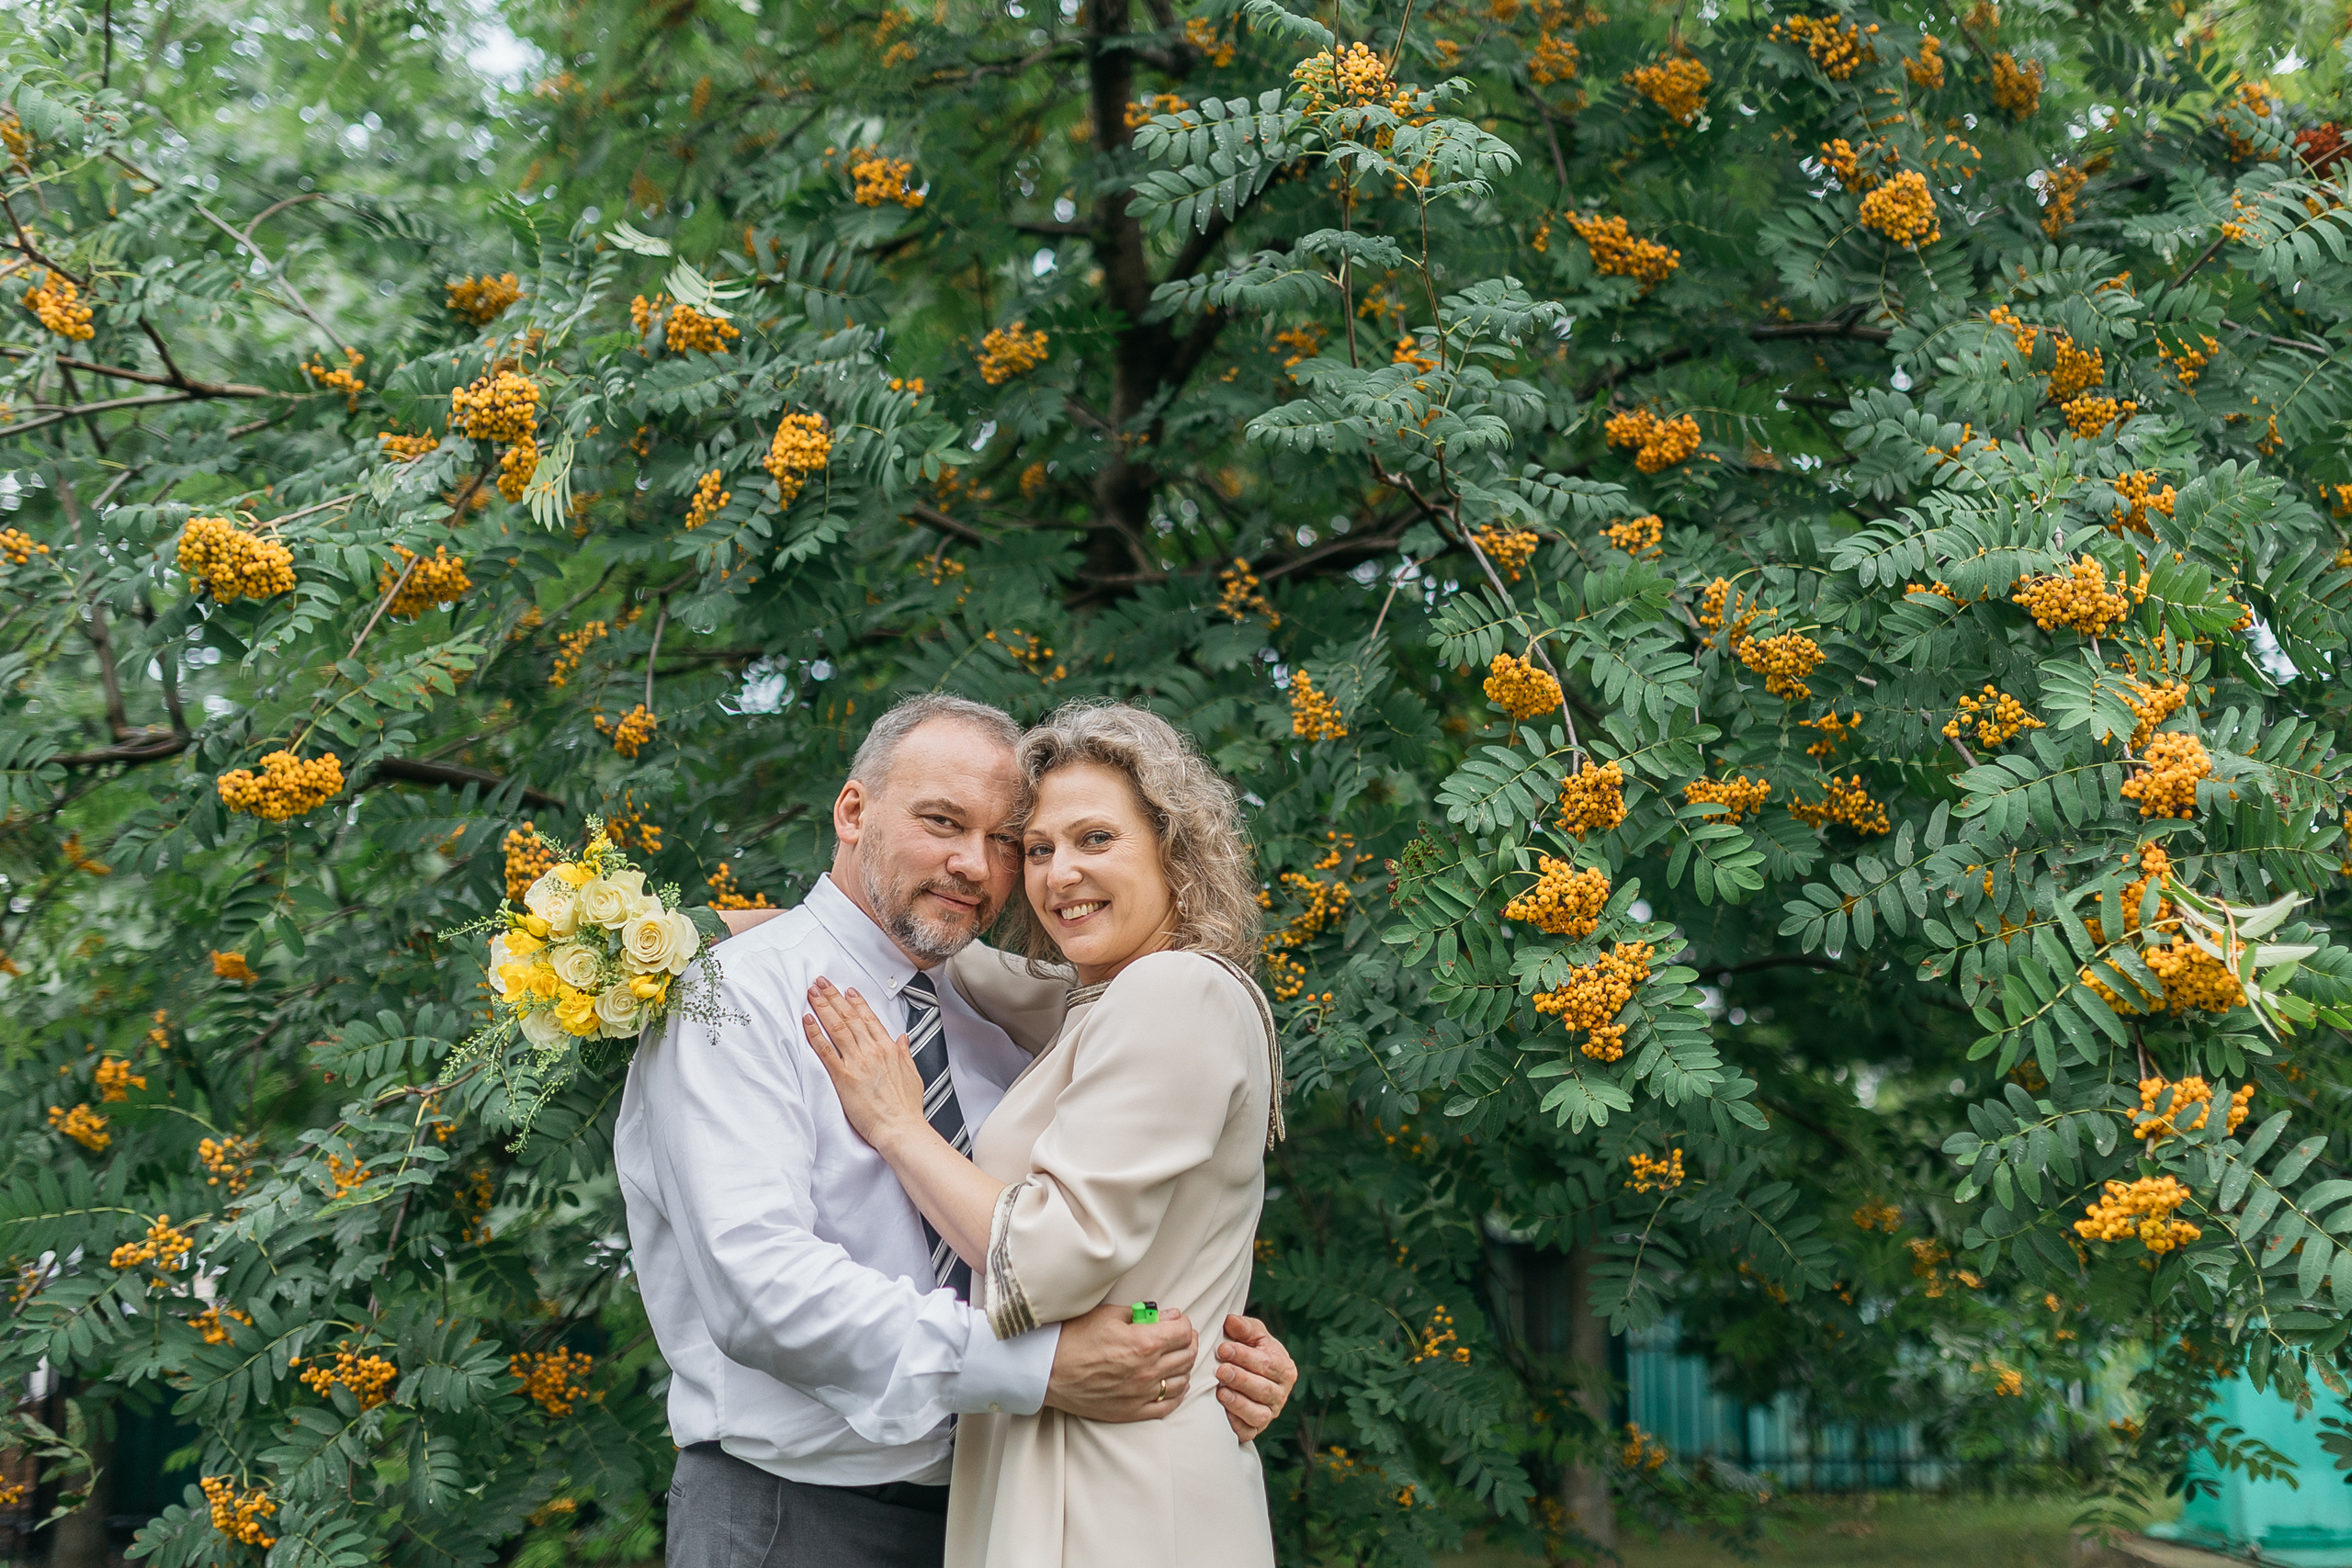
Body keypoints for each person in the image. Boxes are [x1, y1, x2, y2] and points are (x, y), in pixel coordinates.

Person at [615, 693, 1295, 1568]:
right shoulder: (736, 999)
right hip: (800, 1515)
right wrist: (1042, 1369)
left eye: (1006, 842)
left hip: (1012, 1507)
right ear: (854, 811)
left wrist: (1209, 1343)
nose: (975, 863)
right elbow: (764, 1291)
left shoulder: (1000, 1024)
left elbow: (1103, 1231)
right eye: (942, 822)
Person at [802, 701, 1281, 1567]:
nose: (1060, 874)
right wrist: (678, 946)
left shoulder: (1175, 992)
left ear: (1172, 847)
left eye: (1095, 839)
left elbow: (1055, 1259)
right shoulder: (1099, 998)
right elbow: (925, 952)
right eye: (1038, 848)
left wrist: (901, 1129)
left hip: (1119, 1488)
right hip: (1071, 1456)